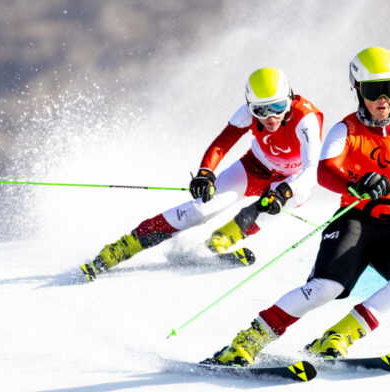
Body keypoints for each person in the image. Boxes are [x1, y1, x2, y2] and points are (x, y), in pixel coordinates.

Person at [205, 47, 390, 366]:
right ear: (357, 90)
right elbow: (324, 170)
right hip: (353, 222)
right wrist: (355, 184)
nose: (383, 99)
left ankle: (338, 337)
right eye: (373, 90)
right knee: (327, 288)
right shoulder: (346, 129)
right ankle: (247, 341)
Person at [80, 67, 324, 281]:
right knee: (202, 209)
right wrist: (205, 173)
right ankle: (123, 247)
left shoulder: (306, 119)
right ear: (251, 106)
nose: (270, 117)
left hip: (293, 180)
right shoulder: (246, 113)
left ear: (290, 98)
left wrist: (286, 190)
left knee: (274, 204)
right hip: (255, 168)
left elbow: (313, 169)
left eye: (279, 106)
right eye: (261, 110)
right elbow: (222, 143)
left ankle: (223, 239)